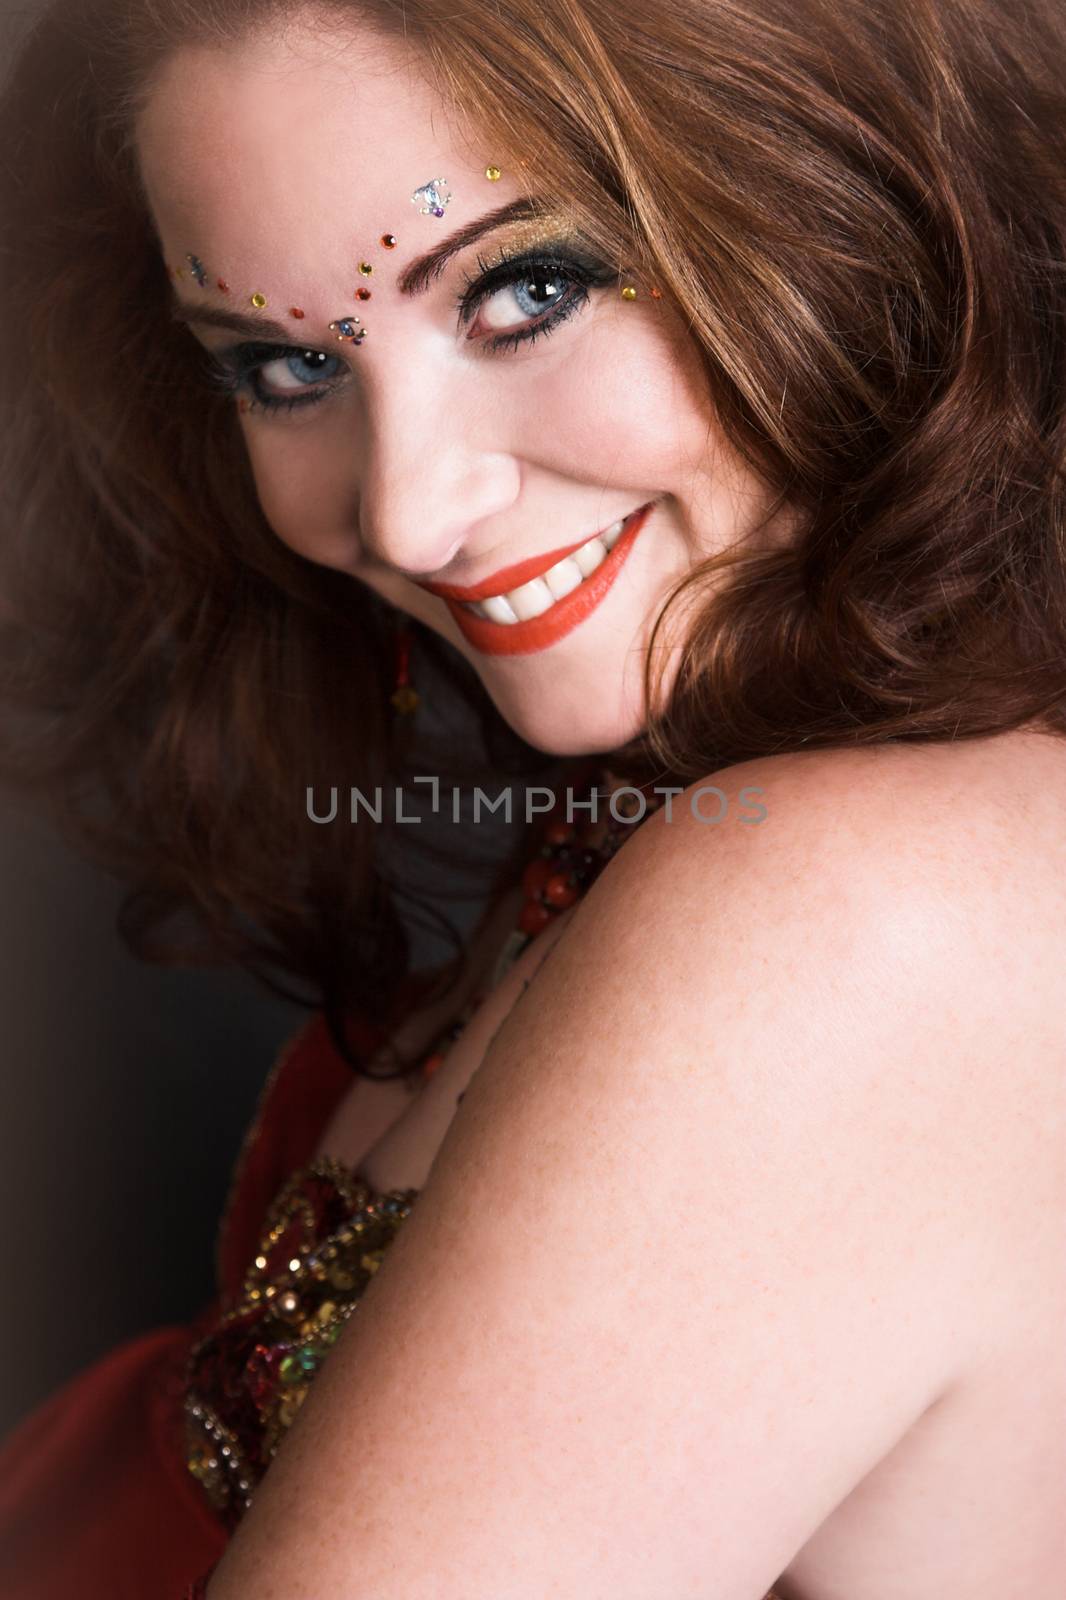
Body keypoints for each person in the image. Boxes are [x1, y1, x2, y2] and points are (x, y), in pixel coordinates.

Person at [0, 0, 1064, 1593]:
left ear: (861, 204)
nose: (408, 509)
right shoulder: (693, 794)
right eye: (285, 364)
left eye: (526, 290)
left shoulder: (847, 916)